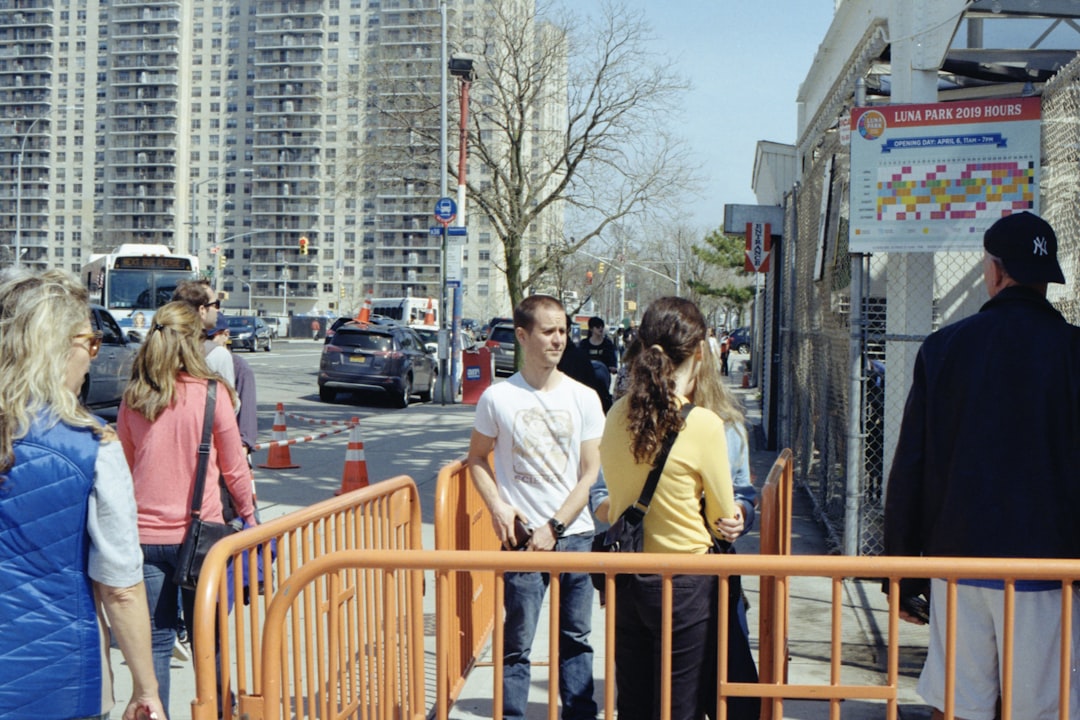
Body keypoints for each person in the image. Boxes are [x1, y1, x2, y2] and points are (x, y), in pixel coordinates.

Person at [884, 211, 1080, 720]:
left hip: (959, 560)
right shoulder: (1072, 351)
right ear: (1046, 277)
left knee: (961, 702)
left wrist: (903, 571)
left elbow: (911, 465)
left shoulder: (945, 347)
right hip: (1051, 568)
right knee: (1041, 706)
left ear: (994, 271)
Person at [0, 268, 167, 720]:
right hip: (59, 678)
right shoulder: (91, 448)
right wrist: (146, 688)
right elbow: (122, 590)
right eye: (89, 342)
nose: (93, 356)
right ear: (57, 348)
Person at [599, 296, 741, 720]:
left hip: (626, 577)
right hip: (684, 582)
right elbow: (723, 517)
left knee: (636, 703)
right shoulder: (703, 424)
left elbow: (615, 495)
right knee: (681, 704)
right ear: (700, 351)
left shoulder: (617, 413)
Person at [467, 294, 602, 720]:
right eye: (549, 331)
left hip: (575, 536)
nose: (559, 339)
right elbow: (475, 459)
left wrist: (556, 528)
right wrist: (498, 507)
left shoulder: (584, 397)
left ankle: (578, 713)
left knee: (576, 640)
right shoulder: (498, 398)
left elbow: (590, 474)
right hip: (523, 541)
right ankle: (512, 715)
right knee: (517, 643)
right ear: (523, 336)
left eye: (563, 330)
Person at [117, 301, 257, 710]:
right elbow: (234, 470)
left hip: (143, 539)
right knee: (208, 639)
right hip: (201, 540)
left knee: (157, 642)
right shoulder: (211, 394)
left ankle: (155, 712)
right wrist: (249, 515)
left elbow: (126, 467)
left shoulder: (135, 396)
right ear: (194, 342)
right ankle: (217, 711)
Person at [171, 279, 235, 389]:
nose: (217, 310)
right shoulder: (218, 355)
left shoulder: (158, 346)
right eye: (216, 304)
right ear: (202, 310)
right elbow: (230, 403)